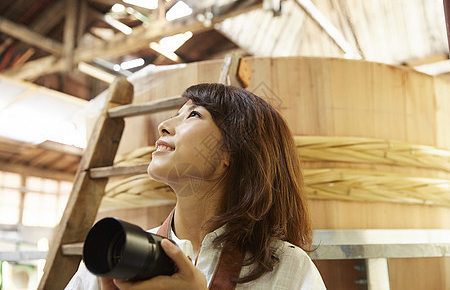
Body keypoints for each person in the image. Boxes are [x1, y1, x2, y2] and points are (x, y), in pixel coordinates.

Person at [65, 83, 326, 289]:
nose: (163, 126)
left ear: (231, 153)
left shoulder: (288, 269)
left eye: (193, 114)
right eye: (175, 114)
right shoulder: (113, 254)